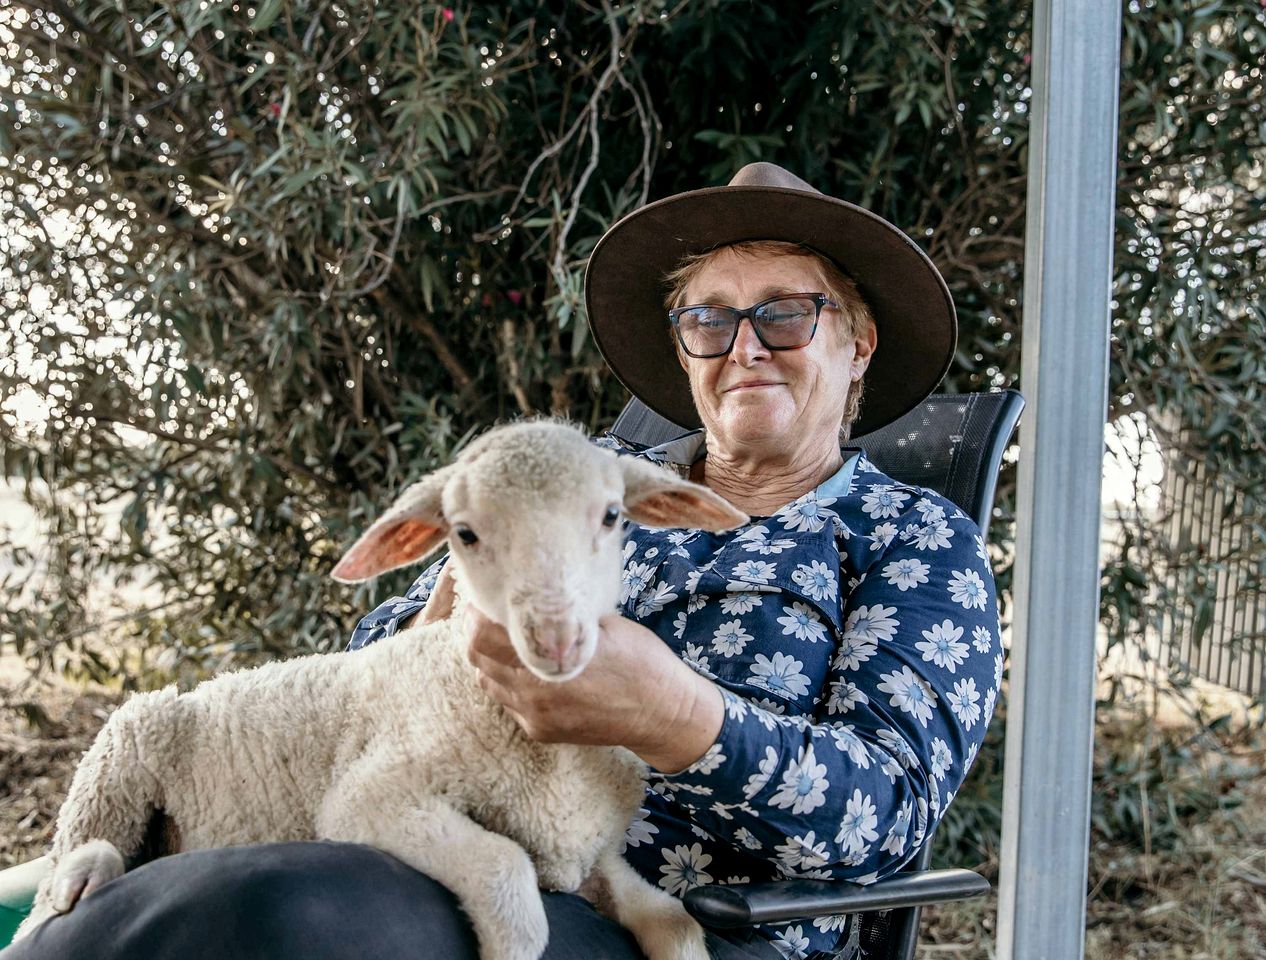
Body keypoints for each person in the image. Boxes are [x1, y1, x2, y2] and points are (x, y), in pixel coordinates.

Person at [2, 163, 999, 960]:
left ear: (859, 342)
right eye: (709, 318)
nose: (744, 346)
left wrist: (675, 718)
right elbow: (371, 677)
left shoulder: (911, 539)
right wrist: (458, 586)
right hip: (436, 835)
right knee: (121, 895)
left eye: (786, 313)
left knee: (287, 909)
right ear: (684, 348)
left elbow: (887, 818)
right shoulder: (576, 473)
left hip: (682, 925)